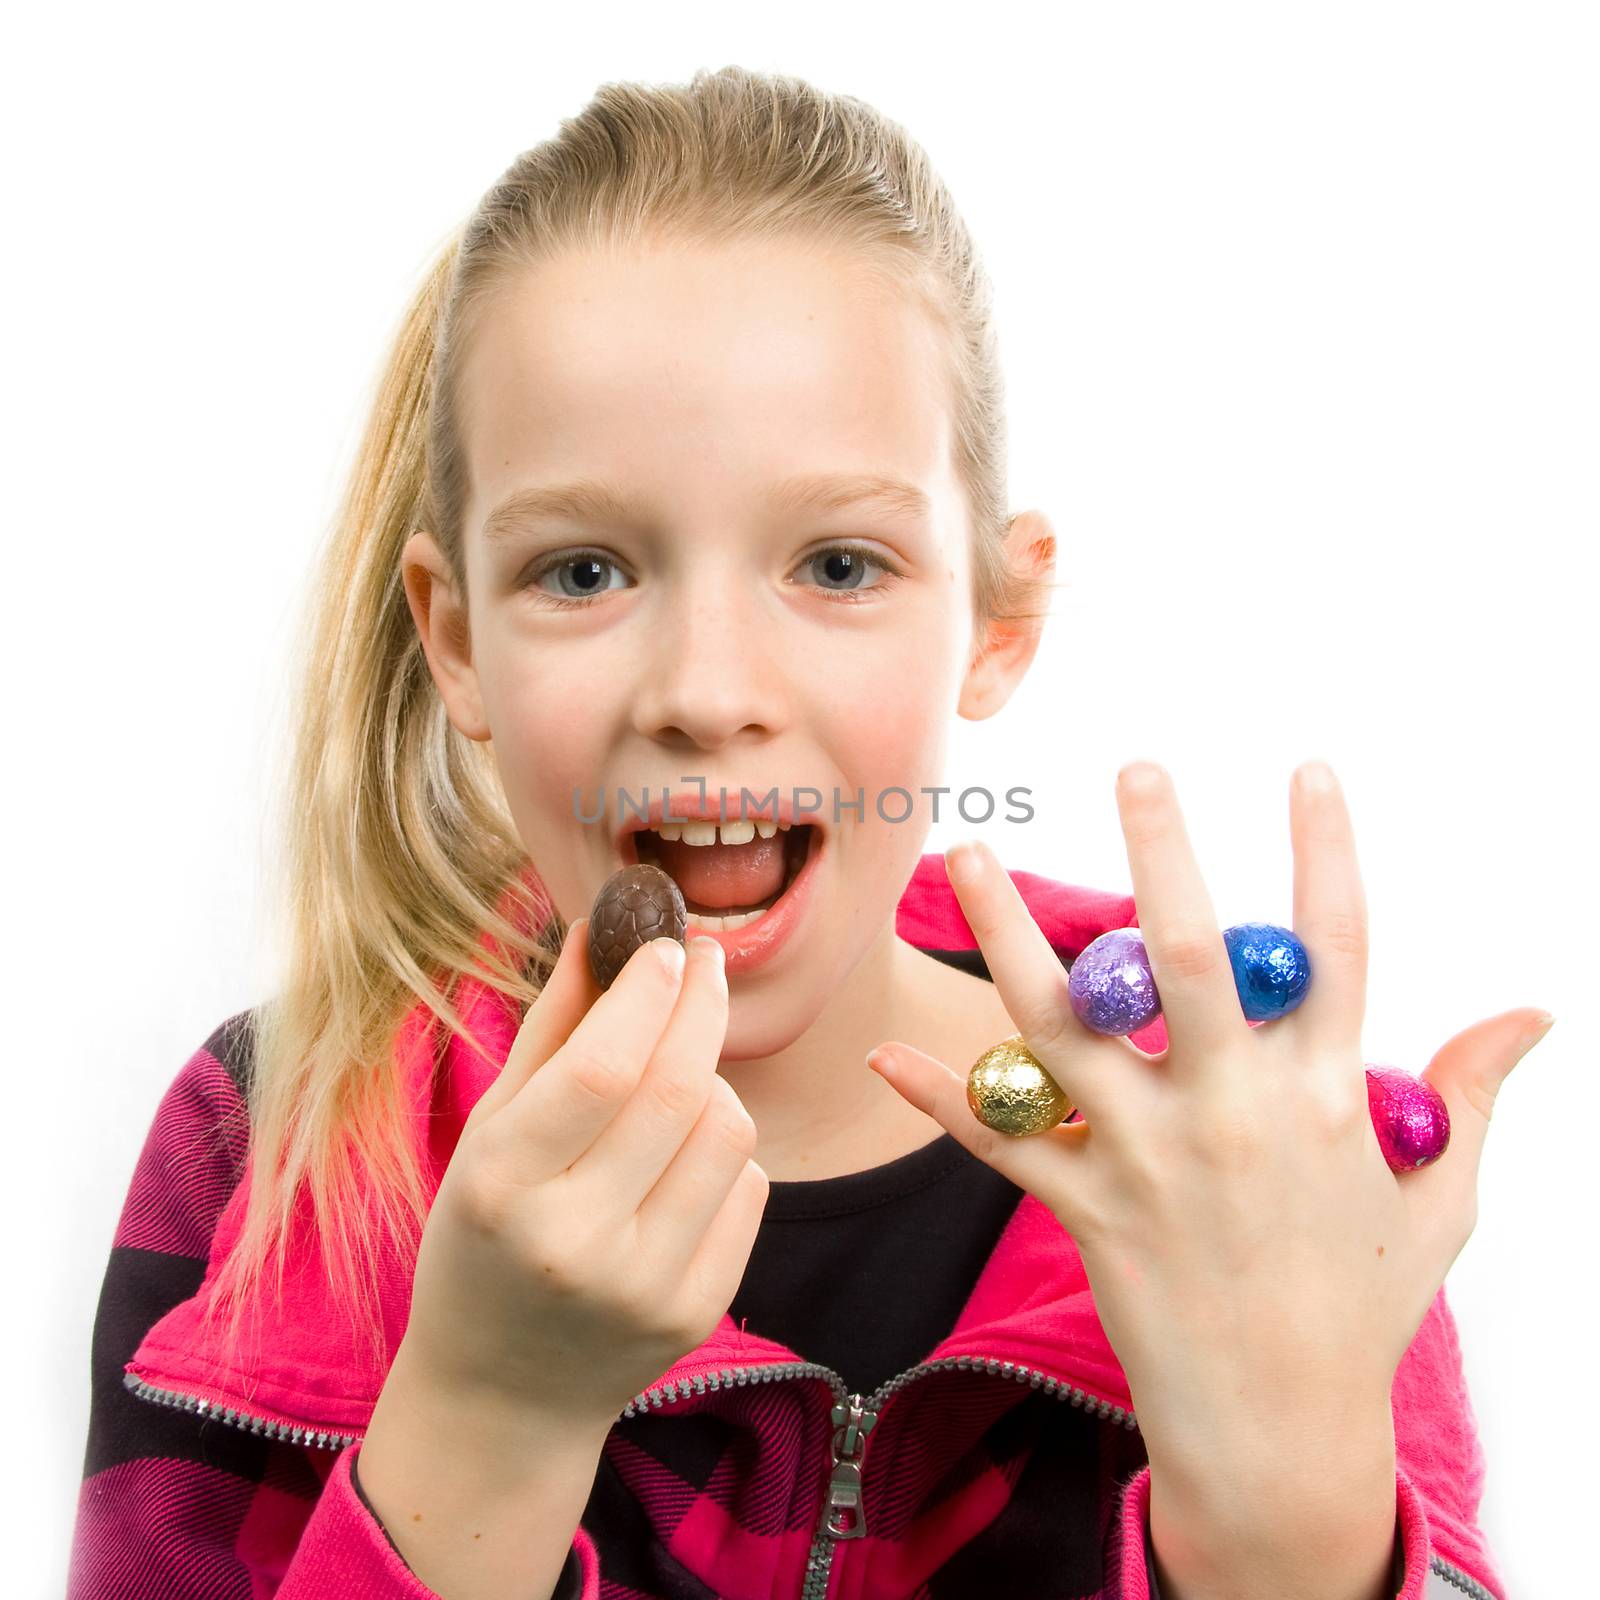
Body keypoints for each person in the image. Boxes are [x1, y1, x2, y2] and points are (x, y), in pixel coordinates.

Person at [69, 65, 1517, 1600]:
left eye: (836, 562)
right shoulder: (269, 1143)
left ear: (997, 622)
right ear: (456, 640)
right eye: (580, 572)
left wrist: (1289, 1519)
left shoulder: (1262, 1154)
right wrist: (482, 1423)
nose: (707, 693)